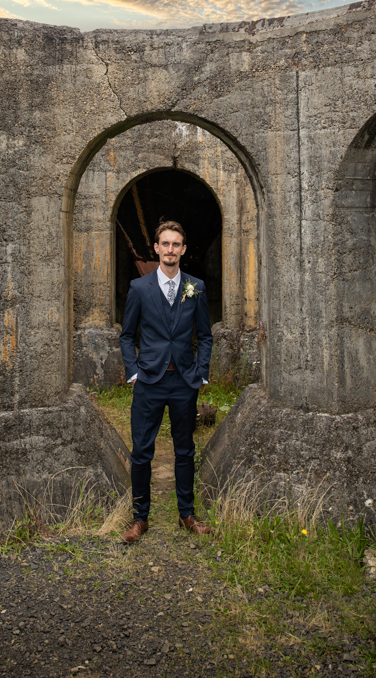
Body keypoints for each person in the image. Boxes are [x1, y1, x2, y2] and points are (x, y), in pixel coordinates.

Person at [119, 220, 214, 542]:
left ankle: (186, 514)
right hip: (149, 381)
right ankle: (139, 518)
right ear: (157, 248)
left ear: (183, 250)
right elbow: (127, 335)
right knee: (142, 452)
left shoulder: (196, 287)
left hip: (184, 381)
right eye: (166, 244)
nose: (171, 250)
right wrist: (133, 370)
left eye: (176, 245)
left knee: (184, 450)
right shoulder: (139, 288)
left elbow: (205, 335)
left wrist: (200, 372)